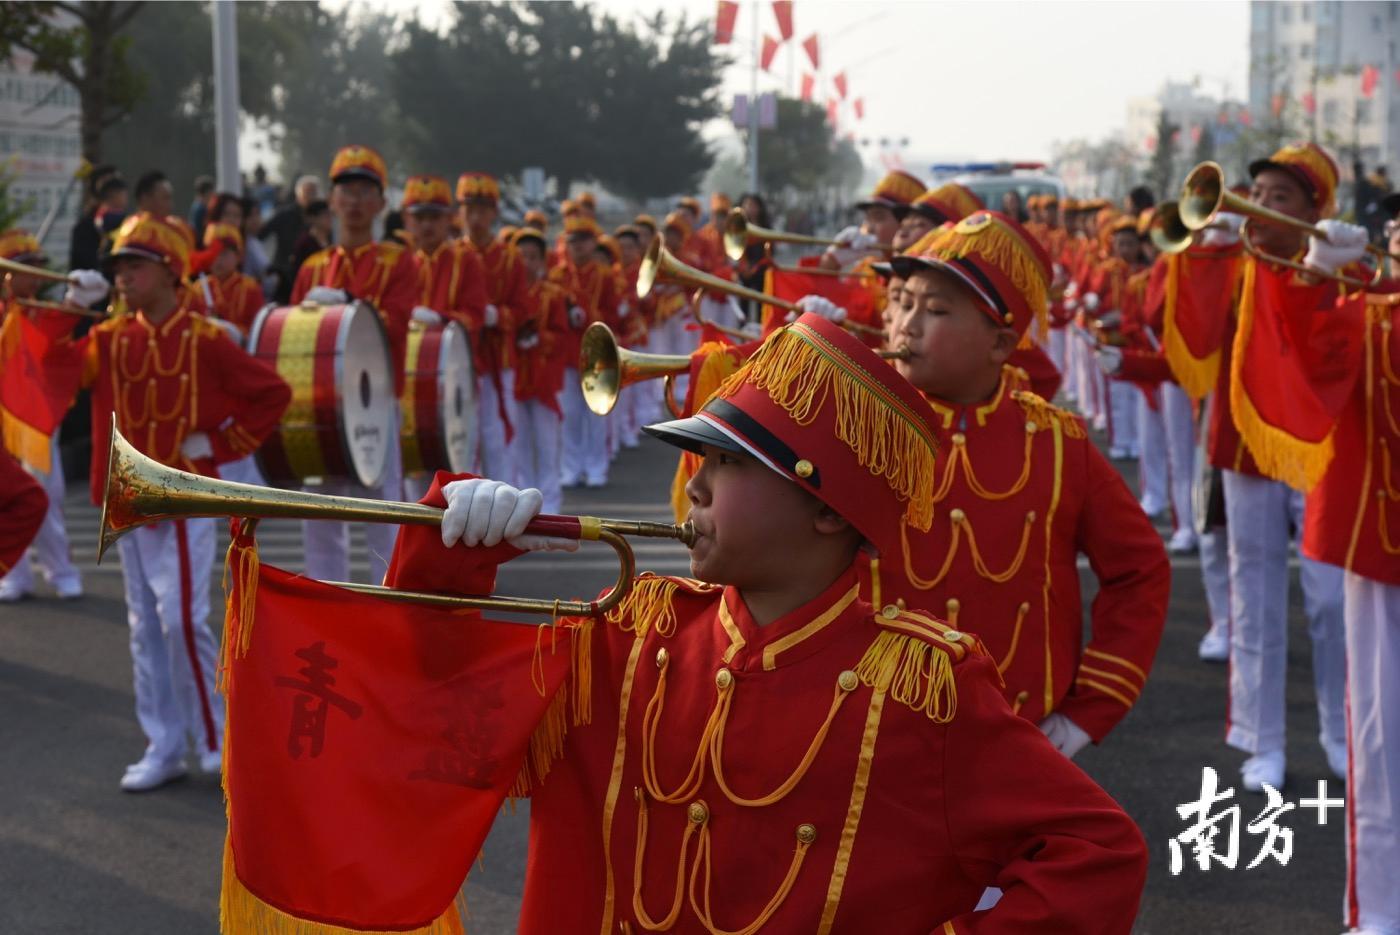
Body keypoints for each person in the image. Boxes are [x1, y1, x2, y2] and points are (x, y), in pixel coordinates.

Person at [385, 309, 1149, 934]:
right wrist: (447, 556)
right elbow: (425, 713)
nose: (698, 486)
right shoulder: (625, 637)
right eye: (700, 460)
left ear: (826, 508)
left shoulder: (925, 690)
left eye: (729, 464)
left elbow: (1100, 848)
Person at [873, 211, 1170, 759]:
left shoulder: (1057, 443)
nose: (904, 326)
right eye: (902, 302)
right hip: (874, 741)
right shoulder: (856, 427)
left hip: (1017, 742)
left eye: (936, 310)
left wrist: (1088, 711)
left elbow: (1140, 570)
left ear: (1001, 343)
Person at [71, 214, 290, 790]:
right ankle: (163, 744)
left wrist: (219, 444)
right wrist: (71, 312)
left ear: (170, 271)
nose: (123, 276)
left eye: (135, 265)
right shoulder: (110, 336)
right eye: (118, 265)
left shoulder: (208, 338)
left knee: (180, 620)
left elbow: (273, 394)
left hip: (185, 494)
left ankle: (217, 739)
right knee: (144, 624)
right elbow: (53, 374)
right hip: (127, 499)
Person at [1160, 142, 1349, 792]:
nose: (1260, 206)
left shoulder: (1340, 257)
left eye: (1281, 197)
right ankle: (1261, 739)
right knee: (1256, 593)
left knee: (1329, 600)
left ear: (1314, 209)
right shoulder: (1233, 258)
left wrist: (1326, 270)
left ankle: (1339, 730)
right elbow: (1195, 335)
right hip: (1245, 442)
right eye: (1259, 193)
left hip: (1322, 447)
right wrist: (1204, 256)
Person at [291, 145, 418, 586]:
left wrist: (347, 306)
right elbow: (293, 344)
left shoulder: (399, 262)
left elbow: (397, 325)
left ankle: (394, 608)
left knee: (383, 514)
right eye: (346, 191)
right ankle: (330, 610)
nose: (355, 201)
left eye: (366, 191)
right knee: (321, 518)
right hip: (322, 407)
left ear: (382, 204)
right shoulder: (311, 268)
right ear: (331, 200)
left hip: (375, 402)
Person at [0, 230, 83, 602]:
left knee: (45, 495)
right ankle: (15, 573)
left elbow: (59, 328)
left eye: (37, 268)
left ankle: (60, 568)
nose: (36, 276)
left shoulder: (38, 312)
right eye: (27, 268)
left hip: (33, 419)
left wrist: (77, 299)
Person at [401, 174, 491, 500]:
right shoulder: (404, 261)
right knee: (412, 454)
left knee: (458, 454)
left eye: (434, 218)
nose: (427, 226)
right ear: (408, 220)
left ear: (447, 219)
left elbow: (476, 315)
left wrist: (442, 319)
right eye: (420, 217)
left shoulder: (465, 260)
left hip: (456, 372)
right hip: (411, 376)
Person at [457, 171, 532, 487]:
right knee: (464, 434)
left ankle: (504, 498)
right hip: (460, 359)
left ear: (494, 213)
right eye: (469, 208)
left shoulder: (509, 257)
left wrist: (496, 317)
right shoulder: (453, 256)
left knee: (497, 434)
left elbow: (522, 310)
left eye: (483, 209)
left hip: (498, 359)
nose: (475, 217)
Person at [548, 213, 620, 488]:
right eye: (573, 241)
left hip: (598, 353)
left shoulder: (605, 276)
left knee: (596, 412)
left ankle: (596, 467)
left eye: (584, 241)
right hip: (567, 353)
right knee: (570, 414)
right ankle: (571, 466)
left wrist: (589, 314)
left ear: (593, 243)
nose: (578, 246)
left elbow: (614, 317)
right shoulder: (556, 276)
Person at [510, 226, 568, 512]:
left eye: (533, 257)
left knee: (547, 443)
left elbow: (562, 335)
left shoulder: (553, 294)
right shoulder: (509, 294)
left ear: (542, 261)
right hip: (516, 376)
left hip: (543, 376)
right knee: (519, 444)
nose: (526, 263)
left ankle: (551, 501)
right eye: (521, 256)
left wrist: (539, 338)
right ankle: (524, 500)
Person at [259, 174, 322, 303]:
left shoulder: (322, 217)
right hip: (285, 275)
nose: (310, 197)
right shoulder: (284, 215)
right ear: (298, 195)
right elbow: (261, 234)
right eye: (307, 193)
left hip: (314, 275)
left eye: (313, 193)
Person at [199, 223, 266, 334]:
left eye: (224, 253)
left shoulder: (251, 288)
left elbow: (258, 331)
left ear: (239, 256)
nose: (217, 259)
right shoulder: (198, 289)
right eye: (212, 253)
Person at [288, 199, 331, 286]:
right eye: (325, 215)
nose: (329, 219)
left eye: (330, 215)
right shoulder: (304, 243)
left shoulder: (329, 240)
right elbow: (296, 273)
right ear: (313, 218)